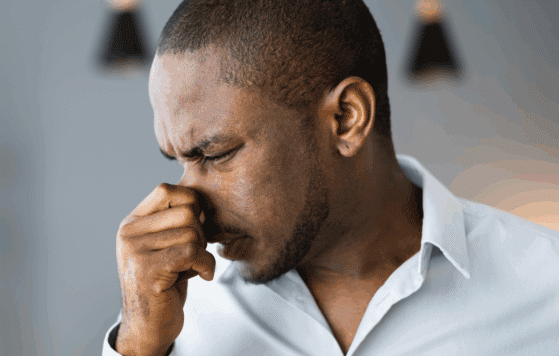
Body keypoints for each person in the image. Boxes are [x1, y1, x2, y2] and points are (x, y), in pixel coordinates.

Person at [103, 0, 559, 355]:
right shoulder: (174, 314)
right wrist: (139, 347)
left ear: (346, 118)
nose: (185, 200)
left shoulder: (547, 287)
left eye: (216, 154)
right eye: (177, 160)